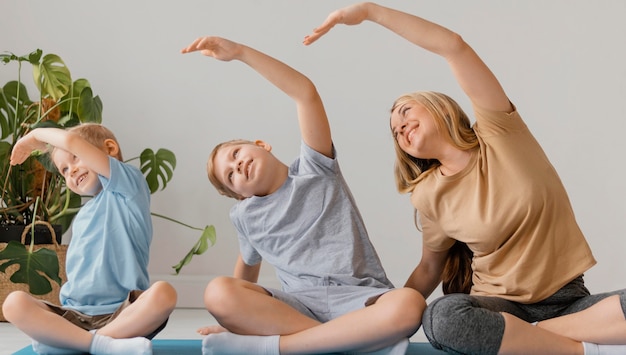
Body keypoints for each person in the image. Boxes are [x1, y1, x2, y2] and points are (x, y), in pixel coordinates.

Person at [304, 2, 626, 355]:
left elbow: (453, 46)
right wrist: (386, 307)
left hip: (567, 301)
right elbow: (429, 268)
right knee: (443, 318)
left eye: (406, 111)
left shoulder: (500, 132)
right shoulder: (428, 194)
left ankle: (532, 337)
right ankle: (579, 348)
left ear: (439, 106)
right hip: (499, 306)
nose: (401, 126)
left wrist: (369, 12)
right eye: (395, 131)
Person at [180, 36, 425, 355]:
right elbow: (246, 271)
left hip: (360, 299)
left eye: (236, 153)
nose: (238, 164)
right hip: (298, 308)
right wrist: (234, 320)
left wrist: (240, 53)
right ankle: (347, 342)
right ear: (239, 196)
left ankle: (285, 348)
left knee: (410, 303)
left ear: (261, 144)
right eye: (231, 175)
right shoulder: (245, 216)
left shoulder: (315, 167)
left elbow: (305, 94)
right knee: (217, 293)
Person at [4, 123, 177, 355]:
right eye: (64, 170)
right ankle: (97, 344)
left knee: (164, 294)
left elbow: (72, 141)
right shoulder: (83, 215)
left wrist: (36, 136)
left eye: (75, 159)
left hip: (123, 314)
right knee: (13, 303)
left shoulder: (129, 188)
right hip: (75, 315)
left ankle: (73, 343)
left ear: (109, 149)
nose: (71, 171)